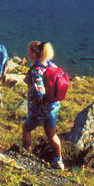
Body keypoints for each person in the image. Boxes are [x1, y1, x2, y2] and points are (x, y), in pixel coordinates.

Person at [21, 41, 64, 170]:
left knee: (26, 128)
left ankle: (27, 156)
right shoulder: (51, 64)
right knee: (51, 134)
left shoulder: (36, 69)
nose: (27, 53)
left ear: (35, 53)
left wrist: (31, 87)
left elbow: (39, 92)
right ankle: (59, 161)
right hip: (53, 106)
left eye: (29, 51)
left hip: (41, 108)